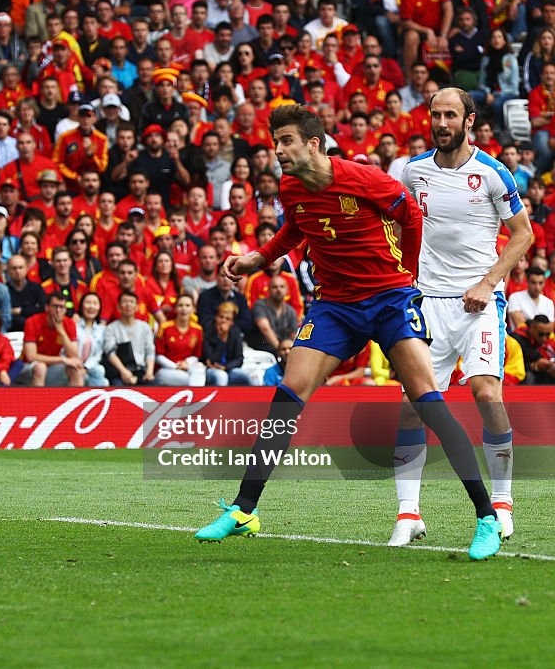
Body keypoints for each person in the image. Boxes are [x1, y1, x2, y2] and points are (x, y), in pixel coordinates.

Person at [196, 105, 504, 561]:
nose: (277, 150)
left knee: (427, 400)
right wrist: (257, 259)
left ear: (313, 144)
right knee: (288, 394)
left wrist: (410, 275)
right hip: (336, 306)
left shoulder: (368, 179)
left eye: (286, 141)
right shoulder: (291, 186)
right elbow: (293, 230)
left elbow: (411, 219)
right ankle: (244, 511)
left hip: (389, 300)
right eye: (275, 141)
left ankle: (486, 518)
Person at [391, 88, 533, 546]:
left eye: (450, 114)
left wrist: (487, 283)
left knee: (485, 391)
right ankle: (408, 514)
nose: (441, 122)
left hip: (479, 302)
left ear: (469, 120)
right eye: (436, 114)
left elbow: (522, 235)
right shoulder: (414, 172)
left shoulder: (492, 172)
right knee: (413, 403)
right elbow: (397, 227)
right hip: (428, 301)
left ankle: (503, 504)